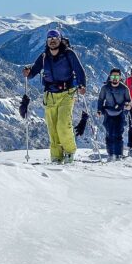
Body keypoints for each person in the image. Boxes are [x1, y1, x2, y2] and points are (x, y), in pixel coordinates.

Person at [23, 29, 86, 163]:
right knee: (52, 128)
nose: (52, 40)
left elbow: (79, 70)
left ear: (60, 39)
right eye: (50, 38)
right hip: (49, 95)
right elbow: (34, 71)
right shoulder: (44, 56)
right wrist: (28, 72)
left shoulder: (69, 54)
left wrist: (82, 85)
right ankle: (56, 156)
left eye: (55, 37)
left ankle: (69, 152)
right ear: (47, 41)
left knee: (63, 124)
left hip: (67, 93)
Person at [97, 68, 132, 161]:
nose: (115, 78)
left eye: (117, 76)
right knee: (109, 134)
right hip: (108, 113)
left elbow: (128, 101)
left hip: (120, 113)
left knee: (118, 134)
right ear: (110, 77)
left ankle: (118, 154)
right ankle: (110, 154)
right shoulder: (105, 88)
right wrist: (99, 110)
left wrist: (126, 108)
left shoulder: (124, 88)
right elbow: (101, 99)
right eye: (113, 76)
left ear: (120, 77)